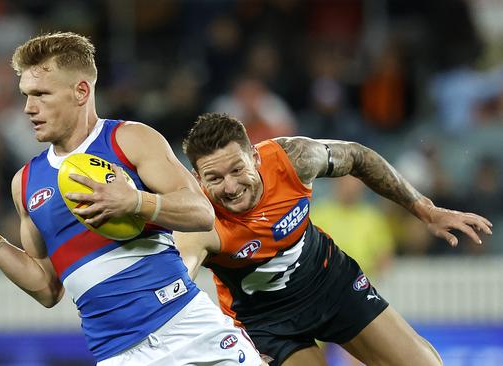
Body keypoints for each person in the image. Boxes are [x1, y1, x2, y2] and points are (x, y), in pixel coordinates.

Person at [0, 32, 264, 366]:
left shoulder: (130, 140)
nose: (29, 108)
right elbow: (47, 287)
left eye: (41, 94)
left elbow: (202, 213)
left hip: (190, 328)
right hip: (118, 355)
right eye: (26, 96)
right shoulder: (26, 184)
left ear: (81, 91)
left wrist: (135, 202)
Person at [176, 112, 493, 366]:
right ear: (197, 178)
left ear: (255, 158)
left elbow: (358, 157)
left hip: (332, 285)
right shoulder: (197, 222)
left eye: (237, 170)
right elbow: (176, 287)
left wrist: (425, 209)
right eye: (215, 178)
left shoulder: (293, 158)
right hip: (265, 324)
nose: (230, 187)